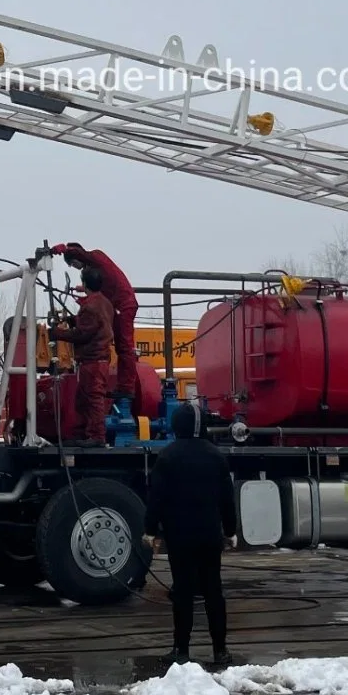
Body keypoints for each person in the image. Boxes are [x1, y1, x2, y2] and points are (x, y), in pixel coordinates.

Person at [144, 402, 238, 668]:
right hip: (209, 535)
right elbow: (226, 500)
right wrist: (230, 531)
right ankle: (220, 650)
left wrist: (150, 530)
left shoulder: (168, 456)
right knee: (213, 591)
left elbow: (156, 499)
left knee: (183, 591)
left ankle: (181, 649)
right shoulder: (216, 456)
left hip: (180, 536)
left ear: (176, 426)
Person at [57, 243, 140, 407]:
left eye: (74, 264)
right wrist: (85, 290)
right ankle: (124, 386)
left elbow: (83, 256)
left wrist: (63, 250)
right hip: (116, 305)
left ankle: (127, 387)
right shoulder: (95, 270)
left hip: (123, 305)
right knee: (121, 347)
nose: (76, 268)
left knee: (124, 348)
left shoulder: (95, 256)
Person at [52, 264, 117, 445]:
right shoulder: (105, 303)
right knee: (83, 399)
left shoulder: (90, 307)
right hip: (100, 359)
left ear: (85, 284)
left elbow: (82, 334)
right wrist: (73, 320)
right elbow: (95, 325)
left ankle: (96, 436)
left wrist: (57, 333)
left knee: (93, 398)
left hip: (93, 360)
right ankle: (83, 433)